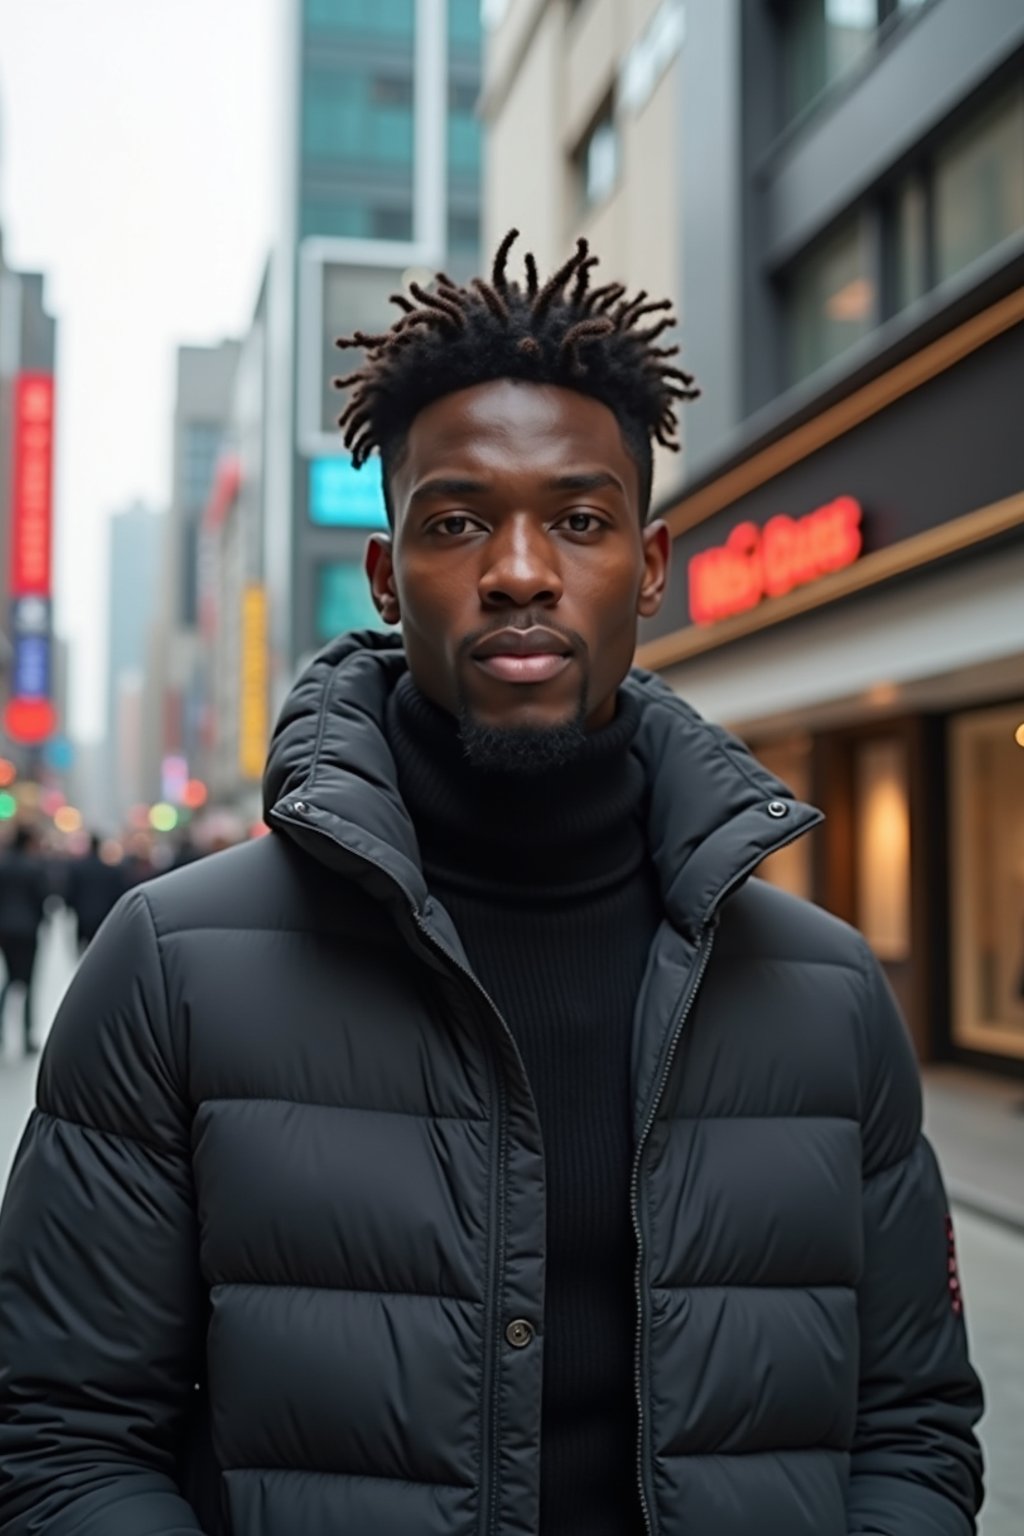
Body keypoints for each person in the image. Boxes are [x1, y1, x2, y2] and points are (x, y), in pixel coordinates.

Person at [0, 234, 983, 1536]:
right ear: (388, 575)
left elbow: (913, 1431)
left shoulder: (829, 994)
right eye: (459, 521)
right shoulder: (172, 971)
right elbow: (60, 1442)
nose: (520, 570)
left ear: (649, 563)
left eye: (579, 519)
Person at [0, 824, 48, 1056]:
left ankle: (1, 1032)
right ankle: (27, 1035)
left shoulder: (3, 865)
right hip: (28, 929)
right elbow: (42, 898)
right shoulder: (33, 867)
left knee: (9, 980)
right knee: (28, 982)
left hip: (5, 930)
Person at [64, 833, 127, 954]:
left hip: (83, 914)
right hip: (103, 915)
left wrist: (70, 907)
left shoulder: (78, 869)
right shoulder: (110, 871)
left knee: (83, 948)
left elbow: (71, 891)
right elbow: (117, 893)